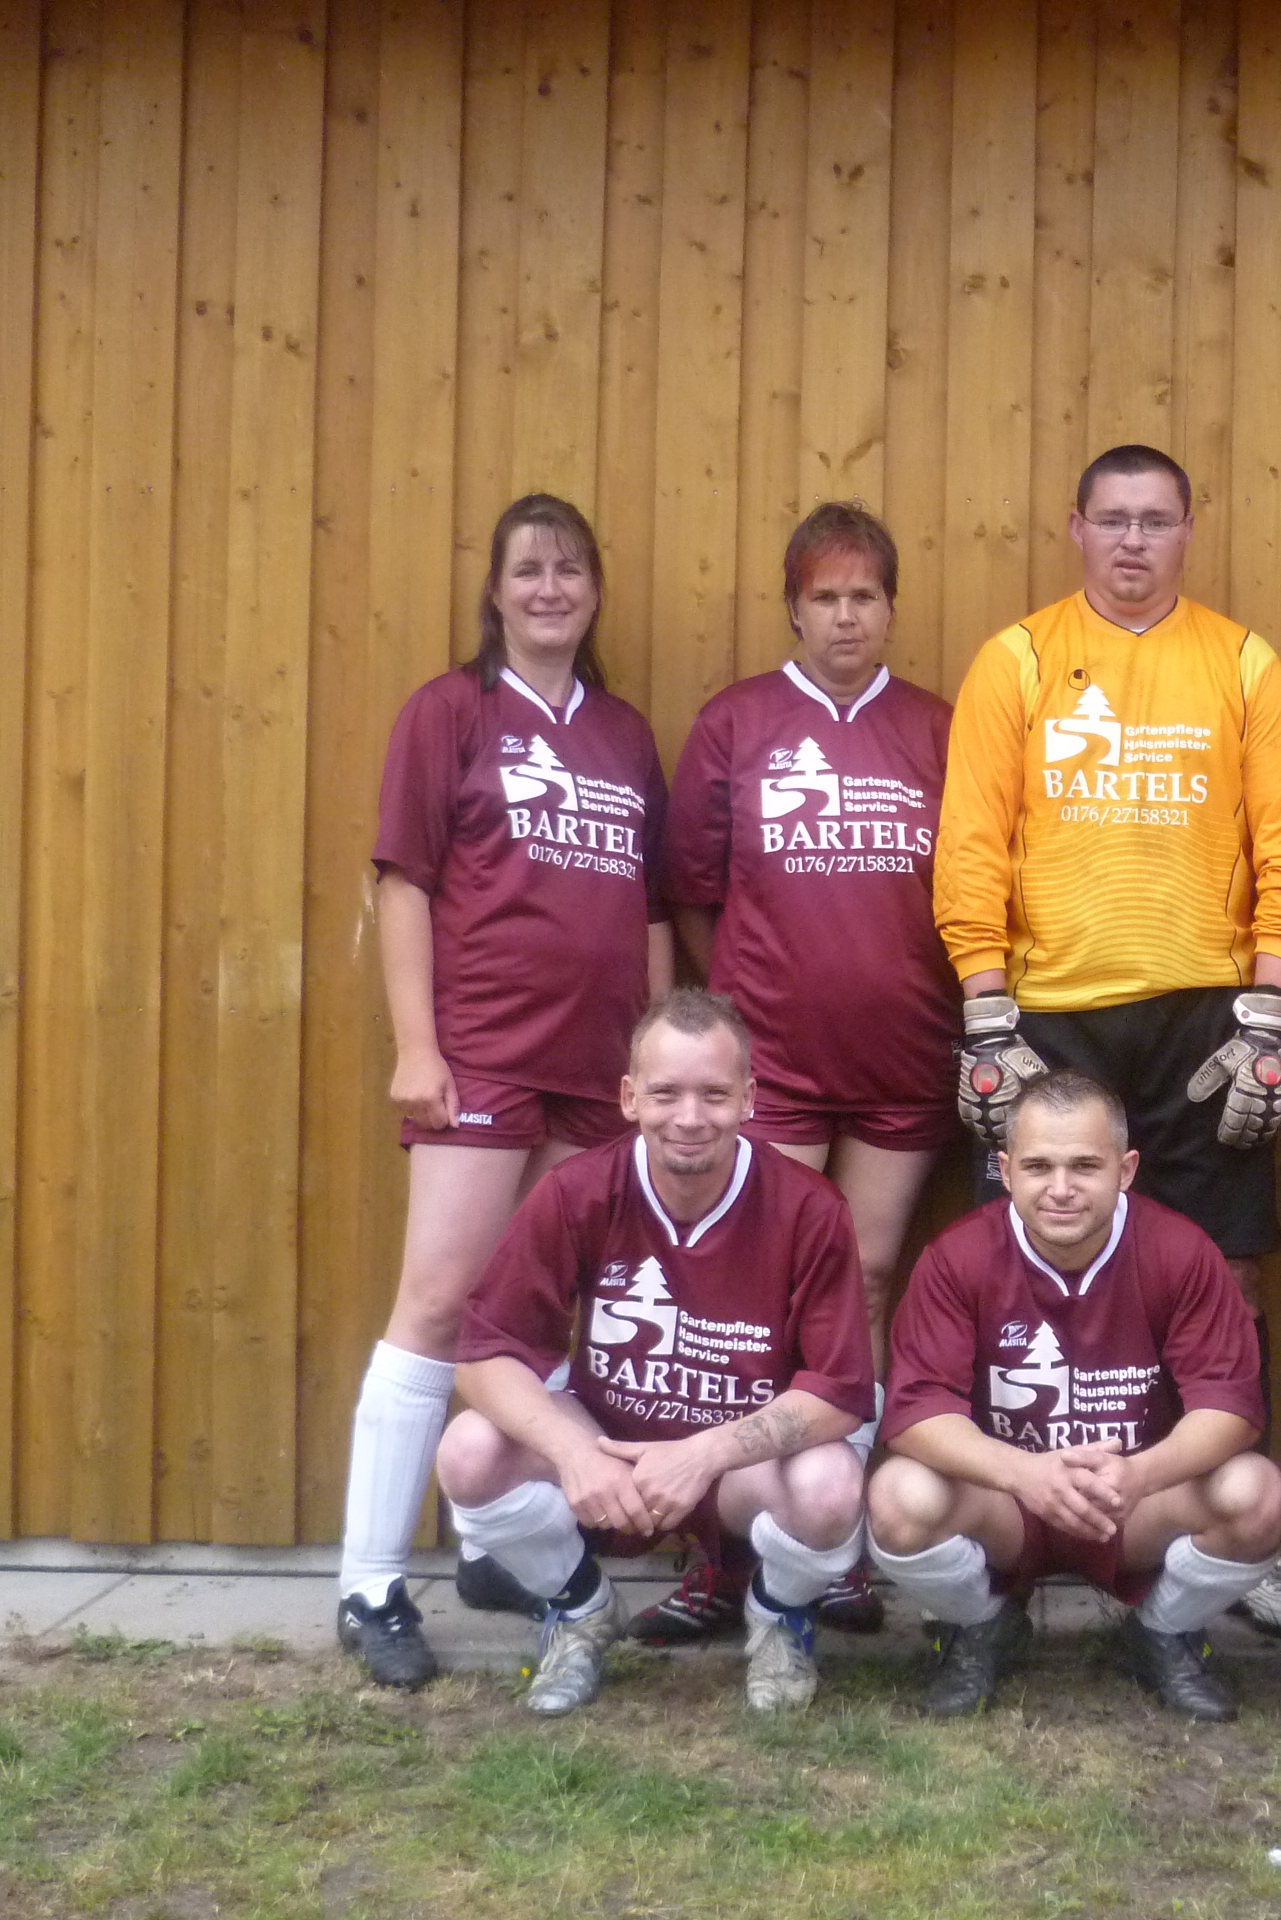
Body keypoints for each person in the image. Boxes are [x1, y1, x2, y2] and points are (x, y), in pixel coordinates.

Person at [934, 443, 1281, 1633]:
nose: (1133, 542)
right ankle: (1007, 1537)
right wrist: (984, 1010)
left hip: (1209, 1011)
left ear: (1188, 530)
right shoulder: (1016, 660)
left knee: (1228, 1266)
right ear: (1075, 527)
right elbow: (972, 844)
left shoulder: (1243, 662)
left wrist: (1272, 1004)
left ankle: (1235, 1533)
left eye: (1156, 521)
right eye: (1112, 520)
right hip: (1048, 1016)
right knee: (1018, 1267)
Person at [338, 494, 673, 1689]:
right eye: (528, 570)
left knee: (535, 1322)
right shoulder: (449, 711)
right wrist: (416, 1046)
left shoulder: (624, 734)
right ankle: (370, 1584)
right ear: (495, 590)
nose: (549, 589)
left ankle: (497, 1548)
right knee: (438, 1306)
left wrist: (651, 1059)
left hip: (596, 1072)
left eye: (570, 570)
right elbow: (404, 884)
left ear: (595, 590)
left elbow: (648, 913)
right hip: (482, 1052)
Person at [661, 502, 958, 1635]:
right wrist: (745, 1007)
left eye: (864, 596)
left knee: (865, 1282)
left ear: (891, 607)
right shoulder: (737, 721)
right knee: (756, 1294)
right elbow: (693, 892)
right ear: (793, 608)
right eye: (825, 597)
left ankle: (837, 1548)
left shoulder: (933, 728)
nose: (845, 617)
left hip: (902, 1059)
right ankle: (725, 1549)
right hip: (774, 1067)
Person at [436, 989, 873, 1715]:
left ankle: (778, 1618)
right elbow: (485, 1355)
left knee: (830, 1485)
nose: (690, 1118)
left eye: (714, 1094)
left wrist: (702, 1455)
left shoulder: (809, 1208)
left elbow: (838, 1393)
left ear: (749, 1099)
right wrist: (574, 1455)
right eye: (666, 1093)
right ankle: (578, 1613)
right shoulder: (577, 1191)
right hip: (609, 1448)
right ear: (629, 1097)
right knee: (469, 1451)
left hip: (736, 1464)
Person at [867, 1071, 1281, 1721]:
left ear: (1126, 1169)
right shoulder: (957, 1256)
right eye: (1039, 1166)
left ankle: (1161, 1632)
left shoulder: (1180, 1250)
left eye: (1085, 1166)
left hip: (1132, 1497)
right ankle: (983, 1627)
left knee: (1255, 1493)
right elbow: (917, 1411)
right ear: (1006, 1170)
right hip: (1006, 1499)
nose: (1060, 1189)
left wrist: (1142, 1473)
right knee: (899, 1497)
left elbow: (1230, 1407)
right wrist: (1024, 1474)